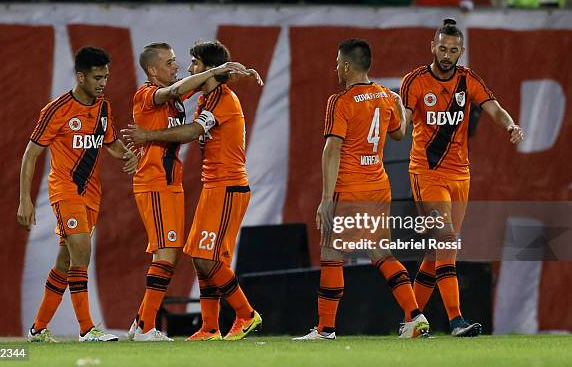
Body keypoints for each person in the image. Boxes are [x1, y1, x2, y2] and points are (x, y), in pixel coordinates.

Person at [122, 41, 263, 341]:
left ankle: (243, 315)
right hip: (165, 182)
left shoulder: (219, 100)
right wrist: (223, 72)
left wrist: (228, 73)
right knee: (185, 255)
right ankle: (173, 325)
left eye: (191, 63)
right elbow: (182, 88)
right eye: (172, 62)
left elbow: (192, 129)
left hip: (225, 185)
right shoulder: (152, 93)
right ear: (152, 69)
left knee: (201, 257)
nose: (184, 68)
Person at [293, 38, 430, 340]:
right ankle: (415, 315)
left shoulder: (339, 102)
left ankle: (325, 329)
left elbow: (332, 149)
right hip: (379, 186)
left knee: (332, 253)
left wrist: (327, 199)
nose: (335, 69)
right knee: (382, 252)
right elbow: (399, 134)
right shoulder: (385, 95)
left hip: (349, 187)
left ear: (345, 66)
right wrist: (402, 110)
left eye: (337, 63)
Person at [400, 18, 524, 337]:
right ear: (432, 46)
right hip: (426, 174)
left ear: (461, 51)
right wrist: (393, 126)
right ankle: (456, 320)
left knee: (435, 252)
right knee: (446, 241)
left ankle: (411, 322)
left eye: (453, 50)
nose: (446, 54)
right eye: (442, 48)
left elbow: (493, 107)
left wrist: (510, 125)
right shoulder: (414, 81)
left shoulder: (468, 80)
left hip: (460, 175)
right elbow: (402, 124)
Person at [17, 46, 138, 342]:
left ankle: (37, 329)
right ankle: (87, 329)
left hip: (92, 194)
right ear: (81, 76)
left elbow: (109, 144)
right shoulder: (57, 110)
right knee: (82, 251)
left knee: (64, 262)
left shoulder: (104, 108)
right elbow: (31, 154)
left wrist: (128, 155)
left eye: (106, 77)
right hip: (65, 190)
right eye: (98, 77)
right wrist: (25, 200)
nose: (103, 83)